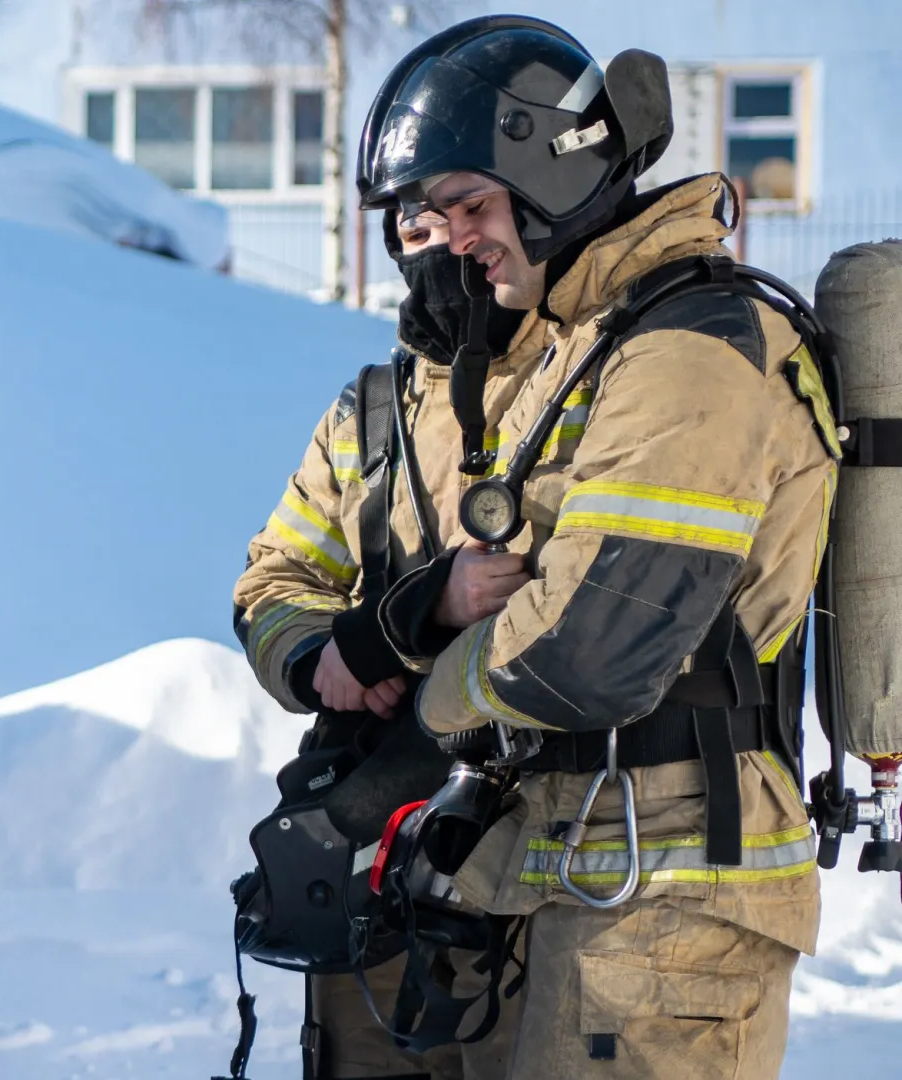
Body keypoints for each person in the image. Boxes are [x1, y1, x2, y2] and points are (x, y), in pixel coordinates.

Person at [360, 15, 830, 1077]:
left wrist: (439, 695)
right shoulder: (598, 344)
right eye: (432, 220)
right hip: (595, 872)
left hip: (670, 903)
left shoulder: (691, 350)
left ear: (554, 180)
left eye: (471, 206)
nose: (457, 242)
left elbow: (587, 647)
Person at [233, 206, 544, 1079]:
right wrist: (321, 659)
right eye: (415, 231)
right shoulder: (368, 414)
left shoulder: (586, 384)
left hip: (535, 861)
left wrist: (400, 631)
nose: (443, 249)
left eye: (466, 216)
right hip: (373, 859)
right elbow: (274, 580)